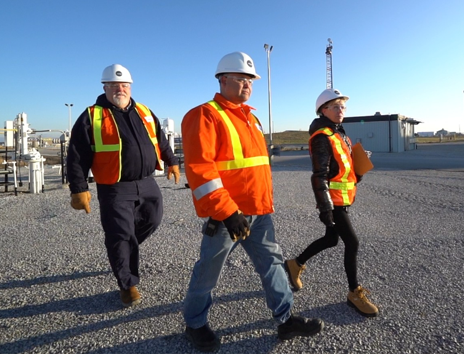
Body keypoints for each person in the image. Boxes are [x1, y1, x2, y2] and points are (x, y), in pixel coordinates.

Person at [181, 52, 324, 352]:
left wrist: (263, 202)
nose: (247, 84)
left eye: (250, 80)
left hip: (259, 211)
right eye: (240, 78)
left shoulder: (251, 117)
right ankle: (194, 324)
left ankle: (285, 319)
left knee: (272, 264)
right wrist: (228, 212)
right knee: (209, 270)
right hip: (227, 216)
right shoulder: (204, 115)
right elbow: (201, 171)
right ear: (222, 79)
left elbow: (255, 167)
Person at [66, 64, 180, 307]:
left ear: (130, 87)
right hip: (114, 187)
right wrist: (78, 188)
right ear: (105, 87)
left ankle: (123, 252)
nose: (121, 89)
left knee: (153, 220)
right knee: (120, 234)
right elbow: (76, 155)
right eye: (115, 85)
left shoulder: (145, 111)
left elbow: (159, 139)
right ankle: (127, 284)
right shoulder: (91, 115)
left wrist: (172, 161)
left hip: (147, 182)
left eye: (125, 85)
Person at [284, 88, 379, 318]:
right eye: (335, 106)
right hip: (332, 203)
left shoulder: (342, 136)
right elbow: (319, 175)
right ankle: (354, 292)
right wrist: (325, 208)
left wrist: (361, 165)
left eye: (343, 106)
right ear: (323, 110)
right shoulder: (322, 138)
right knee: (352, 243)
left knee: (331, 239)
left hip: (342, 199)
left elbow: (347, 173)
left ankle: (295, 264)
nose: (340, 110)